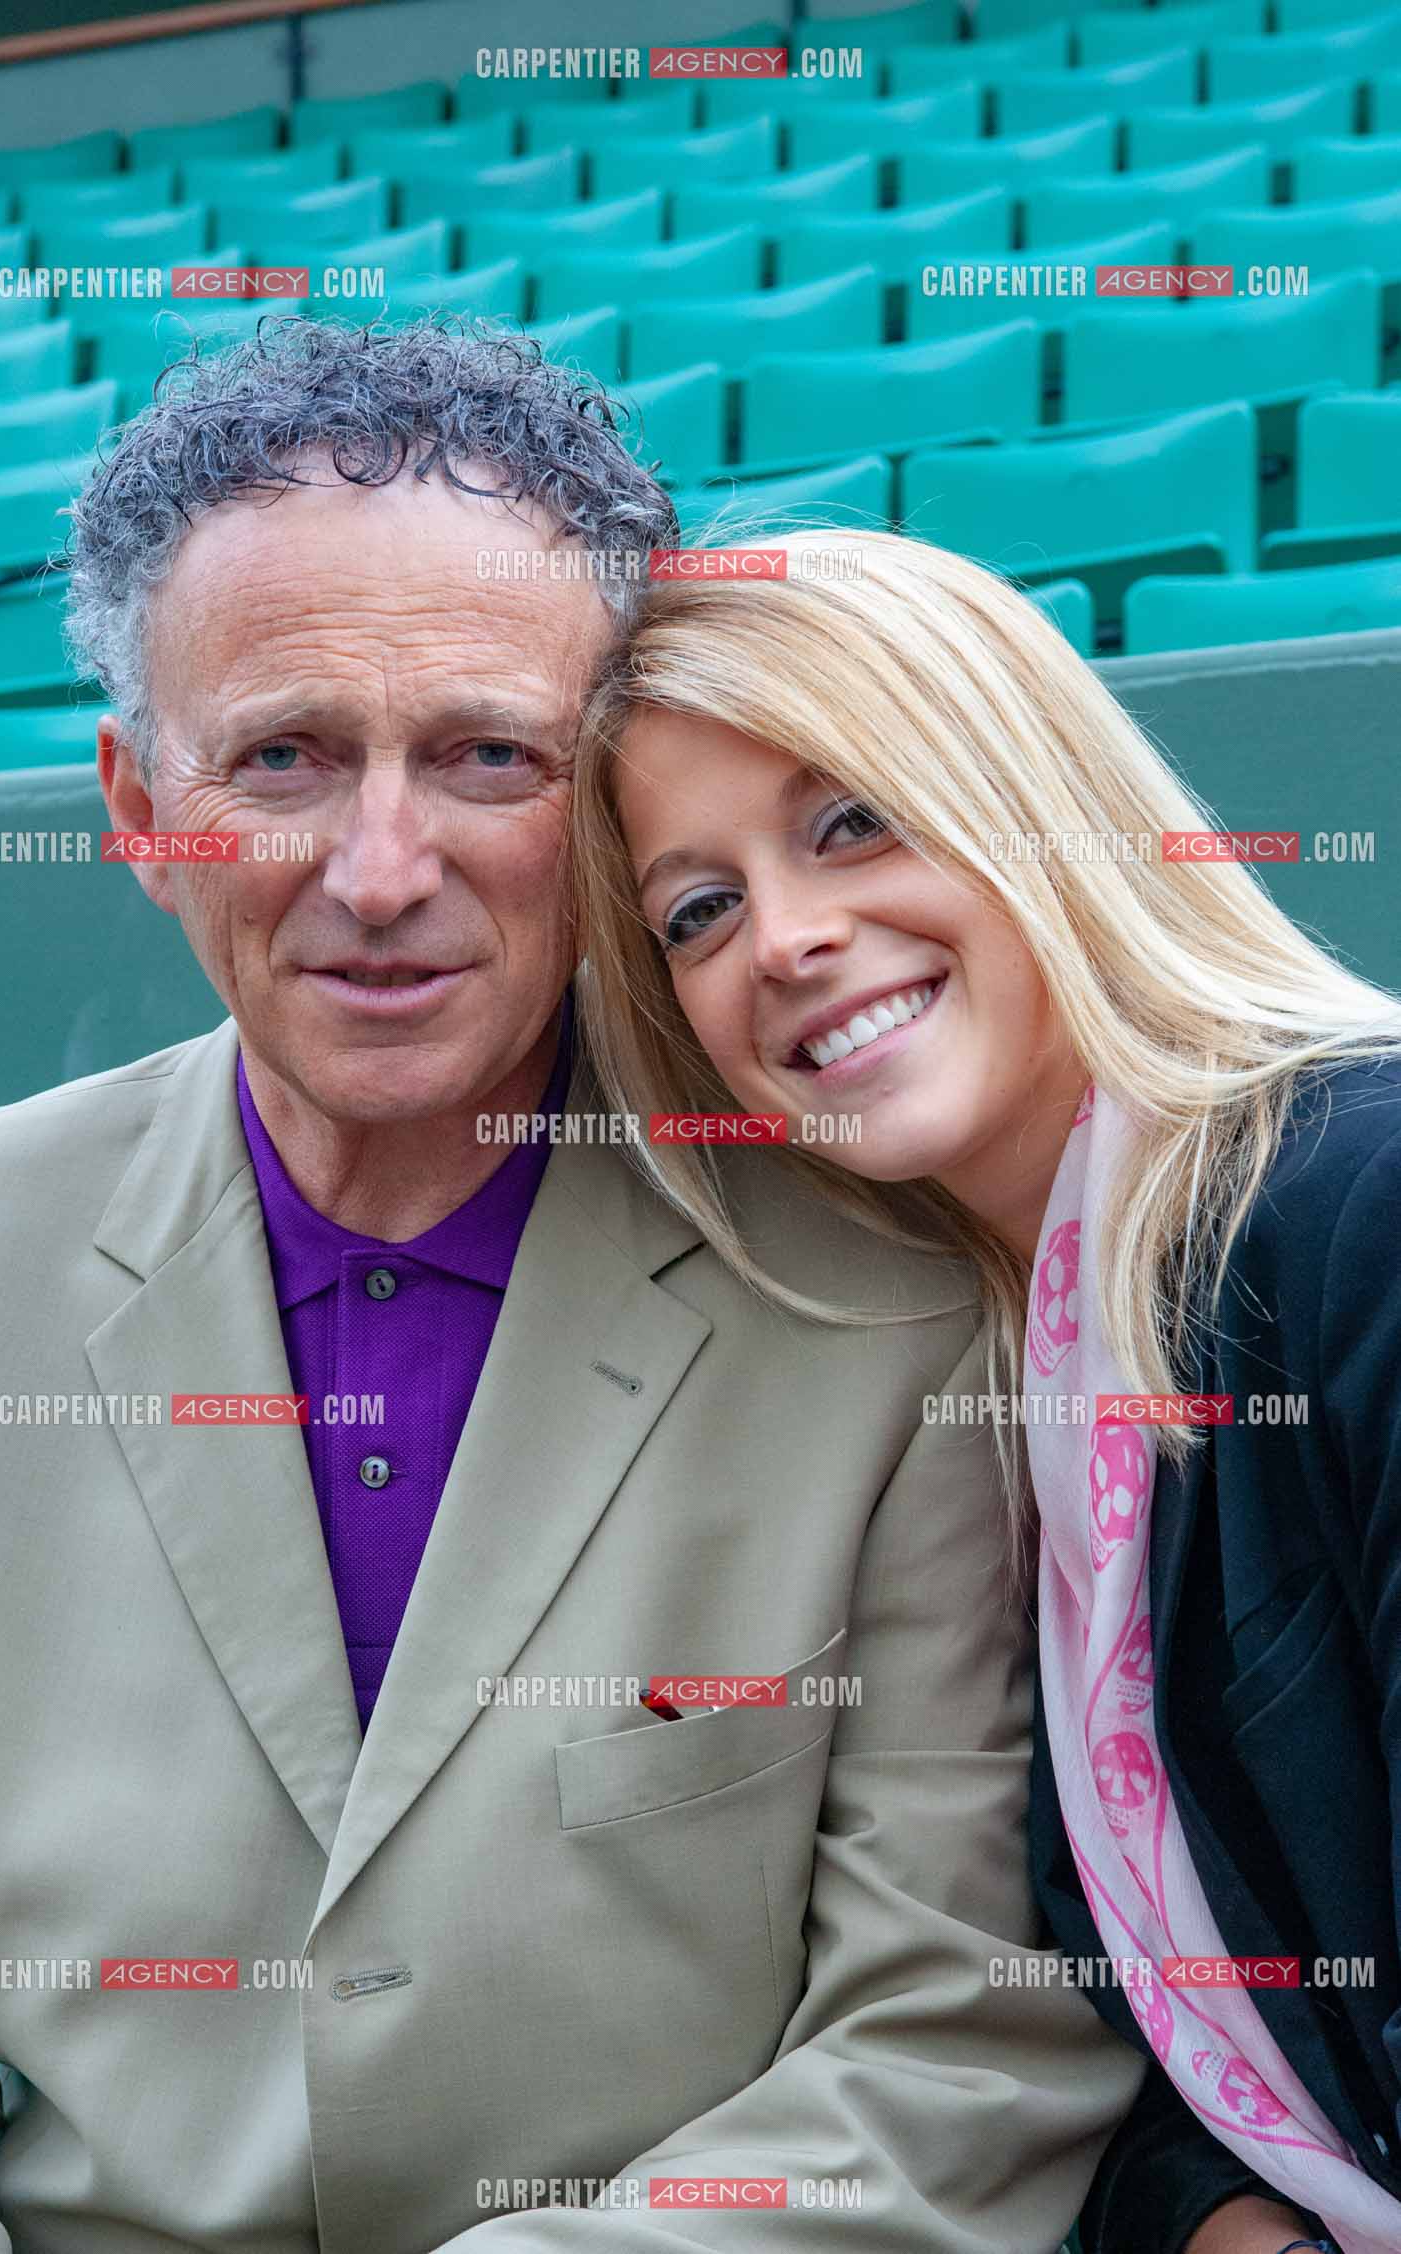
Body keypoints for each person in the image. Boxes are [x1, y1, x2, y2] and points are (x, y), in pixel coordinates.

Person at [0, 325, 1139, 2254]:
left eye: (487, 756)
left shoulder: (891, 1295)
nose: (381, 870)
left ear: (606, 811)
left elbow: (956, 2033)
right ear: (141, 811)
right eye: (286, 757)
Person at [569, 526, 1401, 2254]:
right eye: (700, 909)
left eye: (850, 817)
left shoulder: (1359, 1205)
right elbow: (1146, 2054)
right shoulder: (1006, 1370)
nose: (785, 939)